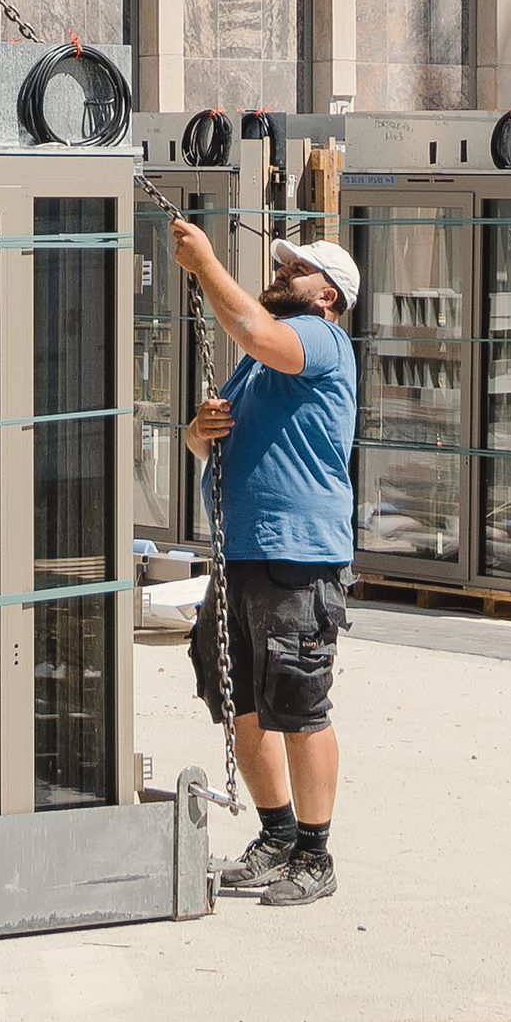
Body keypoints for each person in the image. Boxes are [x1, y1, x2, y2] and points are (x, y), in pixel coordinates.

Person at [173, 220, 361, 908]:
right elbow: (219, 445)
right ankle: (277, 835)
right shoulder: (261, 363)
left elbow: (250, 326)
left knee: (300, 703)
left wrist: (204, 265)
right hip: (243, 549)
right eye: (284, 264)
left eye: (298, 269)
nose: (283, 272)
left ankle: (315, 850)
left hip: (296, 557)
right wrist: (198, 435)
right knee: (241, 700)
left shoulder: (317, 339)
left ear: (328, 296)